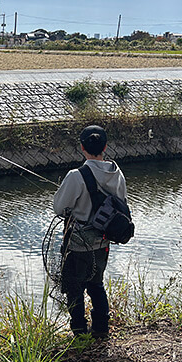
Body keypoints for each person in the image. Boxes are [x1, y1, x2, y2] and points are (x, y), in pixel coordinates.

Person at [53, 125, 128, 338]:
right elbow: (122, 204)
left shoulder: (76, 176)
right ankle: (101, 330)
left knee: (74, 288)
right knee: (96, 284)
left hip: (77, 244)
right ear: (105, 146)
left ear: (82, 147)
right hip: (103, 242)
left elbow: (59, 208)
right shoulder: (118, 173)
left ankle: (79, 331)